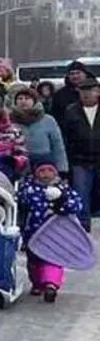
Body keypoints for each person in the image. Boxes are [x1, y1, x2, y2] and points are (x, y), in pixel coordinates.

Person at [17, 159, 85, 303]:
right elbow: (21, 201)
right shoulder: (30, 188)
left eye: (50, 171)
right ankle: (37, 283)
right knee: (34, 261)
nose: (46, 174)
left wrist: (61, 201)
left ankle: (51, 285)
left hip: (56, 233)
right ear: (36, 174)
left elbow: (77, 205)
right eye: (42, 171)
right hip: (34, 233)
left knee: (53, 259)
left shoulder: (64, 189)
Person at [59, 76, 100, 228]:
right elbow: (65, 135)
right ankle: (83, 225)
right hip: (80, 159)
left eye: (90, 90)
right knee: (81, 193)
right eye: (83, 91)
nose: (86, 94)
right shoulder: (71, 110)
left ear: (97, 91)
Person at [10, 88, 68, 180]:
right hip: (19, 166)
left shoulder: (48, 120)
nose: (23, 101)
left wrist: (62, 169)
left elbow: (58, 146)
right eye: (20, 98)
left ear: (34, 101)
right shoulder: (9, 121)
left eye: (27, 98)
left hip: (45, 166)